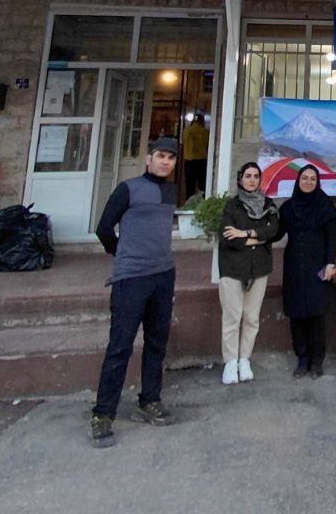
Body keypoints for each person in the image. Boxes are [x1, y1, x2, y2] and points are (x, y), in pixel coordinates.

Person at [89, 136, 181, 448]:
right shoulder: (127, 189)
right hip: (131, 278)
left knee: (157, 342)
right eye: (160, 156)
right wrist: (122, 253)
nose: (165, 162)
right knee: (120, 345)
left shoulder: (171, 191)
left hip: (163, 274)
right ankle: (103, 414)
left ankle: (149, 400)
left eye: (171, 157)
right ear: (148, 158)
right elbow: (104, 228)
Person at [217, 161, 280, 386]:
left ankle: (244, 359)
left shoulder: (268, 205)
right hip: (233, 269)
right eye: (248, 176)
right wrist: (259, 239)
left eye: (255, 176)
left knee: (252, 318)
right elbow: (228, 238)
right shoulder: (232, 206)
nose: (252, 180)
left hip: (259, 269)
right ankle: (230, 362)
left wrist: (246, 233)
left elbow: (273, 231)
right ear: (240, 179)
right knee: (232, 317)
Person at [278, 164, 336, 379]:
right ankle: (302, 359)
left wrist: (330, 263)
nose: (308, 182)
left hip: (318, 266)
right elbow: (276, 233)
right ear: (298, 180)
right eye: (305, 178)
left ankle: (317, 361)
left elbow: (331, 238)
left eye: (313, 179)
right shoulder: (288, 208)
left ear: (318, 182)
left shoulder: (324, 205)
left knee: (316, 314)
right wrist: (256, 232)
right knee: (296, 313)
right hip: (294, 266)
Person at [181, 113, 209, 200]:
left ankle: (189, 203)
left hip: (189, 161)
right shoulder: (205, 132)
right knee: (202, 186)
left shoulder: (187, 131)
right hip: (202, 160)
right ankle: (202, 203)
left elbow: (183, 141)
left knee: (190, 185)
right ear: (202, 121)